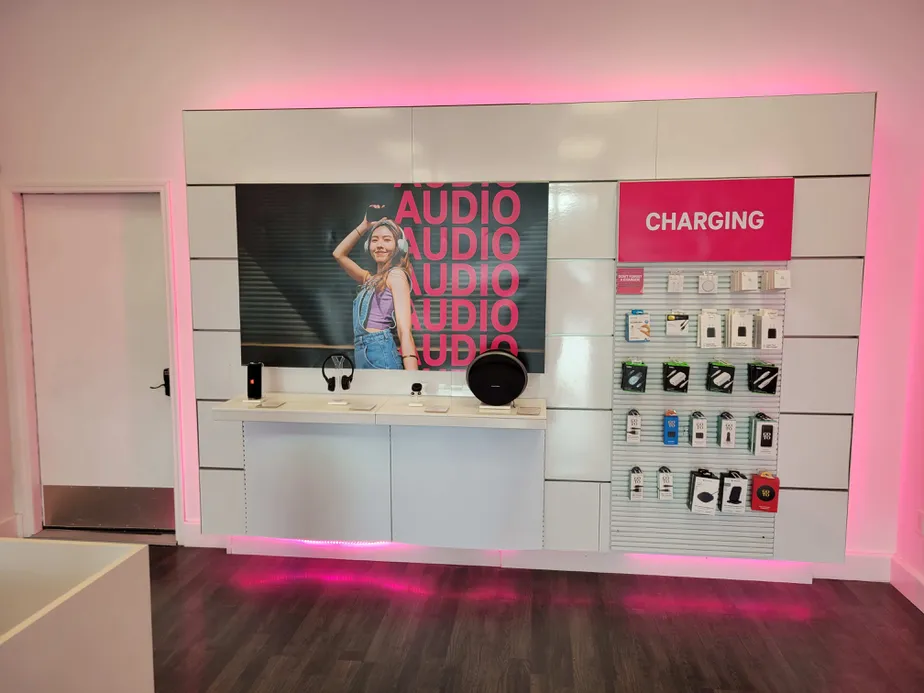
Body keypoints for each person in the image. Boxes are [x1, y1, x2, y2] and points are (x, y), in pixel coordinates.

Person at [332, 206, 419, 370]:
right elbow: (339, 254)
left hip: (380, 352)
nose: (379, 245)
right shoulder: (370, 279)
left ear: (399, 246)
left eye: (387, 240)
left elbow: (404, 330)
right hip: (361, 352)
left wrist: (412, 376)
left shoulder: (396, 275)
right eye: (374, 240)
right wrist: (364, 226)